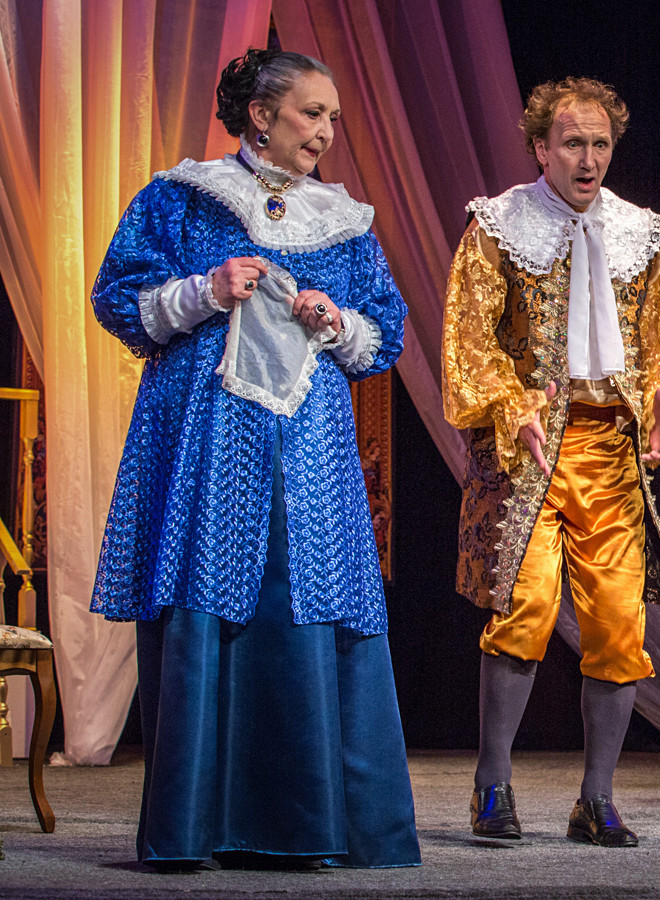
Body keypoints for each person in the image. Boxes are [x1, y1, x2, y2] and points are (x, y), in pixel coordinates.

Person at [89, 50, 419, 868]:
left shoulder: (344, 220)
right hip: (208, 439)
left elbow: (384, 332)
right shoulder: (185, 197)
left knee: (310, 593)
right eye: (312, 112)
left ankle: (311, 823)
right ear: (262, 115)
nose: (327, 130)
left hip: (309, 448)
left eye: (333, 117)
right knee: (213, 593)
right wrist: (206, 289)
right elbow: (118, 299)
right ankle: (201, 824)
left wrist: (336, 320)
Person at [441, 77, 660, 848]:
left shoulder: (640, 235)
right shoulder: (499, 228)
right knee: (521, 610)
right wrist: (509, 403)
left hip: (608, 450)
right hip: (529, 451)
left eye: (600, 144)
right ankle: (493, 786)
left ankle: (596, 799)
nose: (588, 159)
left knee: (619, 624)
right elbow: (471, 336)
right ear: (541, 148)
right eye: (573, 143)